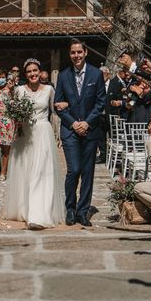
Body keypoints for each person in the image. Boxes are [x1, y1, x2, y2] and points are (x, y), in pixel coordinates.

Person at [3, 58, 65, 229]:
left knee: (42, 173)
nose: (32, 74)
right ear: (26, 74)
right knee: (25, 173)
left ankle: (39, 215)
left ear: (40, 72)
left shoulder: (50, 90)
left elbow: (56, 110)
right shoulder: (19, 90)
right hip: (26, 135)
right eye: (29, 71)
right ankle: (25, 209)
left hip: (43, 133)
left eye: (35, 71)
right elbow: (12, 113)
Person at [54, 39, 106, 226]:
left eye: (79, 52)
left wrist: (86, 122)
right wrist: (74, 123)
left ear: (85, 53)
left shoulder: (96, 74)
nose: (76, 55)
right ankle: (70, 208)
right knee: (73, 170)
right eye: (72, 52)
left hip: (90, 130)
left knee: (87, 172)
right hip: (70, 131)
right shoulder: (63, 75)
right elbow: (58, 106)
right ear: (70, 54)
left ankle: (83, 211)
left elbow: (101, 102)